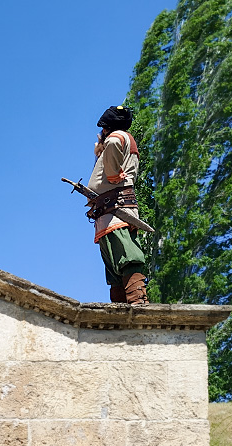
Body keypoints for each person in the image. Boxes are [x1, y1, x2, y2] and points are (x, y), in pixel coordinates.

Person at [87, 105, 148, 306]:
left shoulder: (117, 136)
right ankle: (122, 308)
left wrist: (113, 175)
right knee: (115, 266)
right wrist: (99, 153)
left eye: (104, 128)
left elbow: (113, 143)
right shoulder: (116, 140)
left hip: (116, 209)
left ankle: (137, 302)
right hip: (107, 212)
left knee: (127, 256)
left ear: (108, 127)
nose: (103, 132)